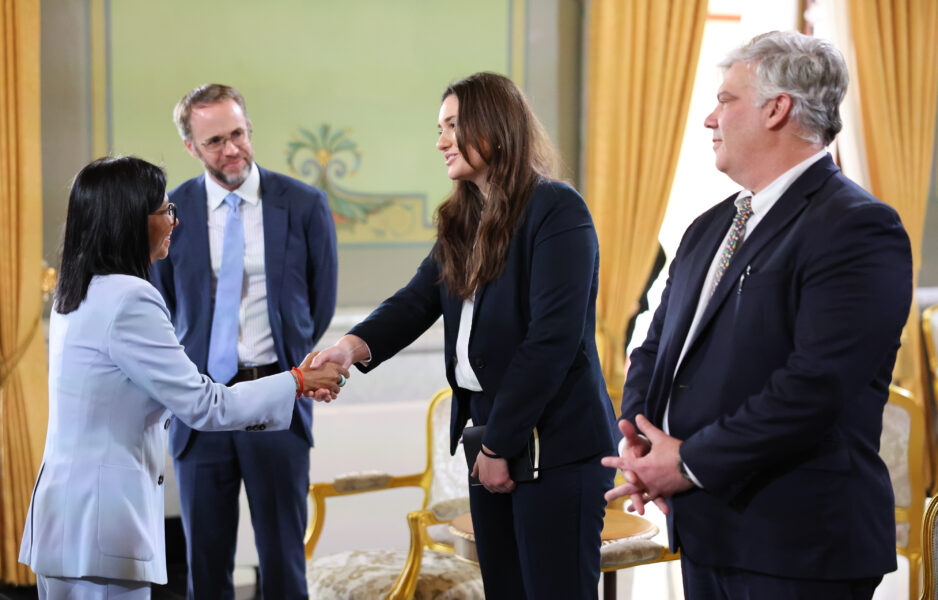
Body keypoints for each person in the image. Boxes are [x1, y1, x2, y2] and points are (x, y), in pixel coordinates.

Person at [603, 31, 913, 599]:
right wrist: (641, 435)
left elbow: (815, 387)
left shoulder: (858, 226)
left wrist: (689, 462)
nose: (708, 119)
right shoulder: (707, 227)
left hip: (796, 543)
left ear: (777, 109)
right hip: (708, 527)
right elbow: (657, 343)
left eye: (725, 100)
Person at [311, 72, 618, 599]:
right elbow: (414, 301)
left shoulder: (557, 209)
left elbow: (551, 341)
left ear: (494, 128)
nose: (441, 141)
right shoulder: (463, 218)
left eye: (452, 125)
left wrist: (501, 443)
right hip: (489, 437)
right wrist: (347, 348)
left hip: (555, 443)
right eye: (440, 128)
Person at [18, 156, 347, 599]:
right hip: (102, 523)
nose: (175, 221)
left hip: (66, 519)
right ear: (130, 221)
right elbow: (204, 405)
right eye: (165, 211)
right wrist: (297, 380)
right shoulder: (131, 298)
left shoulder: (78, 290)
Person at [150, 84, 337, 599]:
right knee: (205, 568)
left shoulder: (303, 205)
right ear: (191, 147)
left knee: (283, 560)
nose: (231, 149)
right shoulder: (171, 211)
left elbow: (318, 305)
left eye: (237, 134)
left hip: (275, 401)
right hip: (200, 407)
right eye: (214, 141)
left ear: (249, 128)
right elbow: (162, 306)